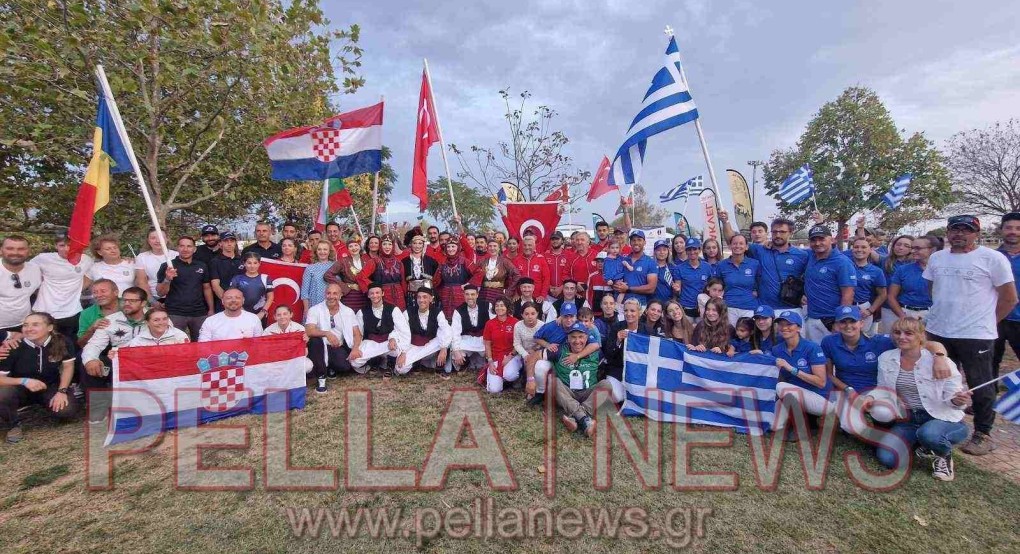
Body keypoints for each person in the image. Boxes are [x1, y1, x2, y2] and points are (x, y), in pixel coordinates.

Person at [923, 214, 1017, 455]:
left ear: (976, 233)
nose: (959, 234)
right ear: (948, 231)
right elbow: (933, 289)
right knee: (939, 381)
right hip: (939, 331)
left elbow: (1009, 298)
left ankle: (983, 433)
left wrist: (988, 322)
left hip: (976, 334)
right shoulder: (937, 258)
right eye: (955, 229)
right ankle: (944, 423)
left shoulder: (992, 259)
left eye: (966, 230)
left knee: (981, 384)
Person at [868, 317, 971, 481]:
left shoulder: (940, 361)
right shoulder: (886, 358)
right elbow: (883, 388)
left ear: (920, 336)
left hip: (941, 417)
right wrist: (872, 399)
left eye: (908, 333)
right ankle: (922, 444)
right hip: (909, 419)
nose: (902, 337)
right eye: (897, 332)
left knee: (929, 434)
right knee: (887, 458)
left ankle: (943, 454)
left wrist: (958, 400)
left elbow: (955, 398)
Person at [0, 312, 77, 443]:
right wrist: (24, 381)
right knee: (3, 393)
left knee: (67, 412)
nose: (29, 328)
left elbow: (68, 367)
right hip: (20, 389)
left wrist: (62, 391)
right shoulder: (13, 346)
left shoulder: (62, 341)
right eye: (25, 325)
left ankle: (49, 405)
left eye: (35, 324)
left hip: (50, 387)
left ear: (50, 328)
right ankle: (13, 425)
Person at [81, 287, 149, 422]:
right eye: (124, 300)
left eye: (132, 301)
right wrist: (90, 360)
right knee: (93, 364)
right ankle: (99, 408)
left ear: (143, 303)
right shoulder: (110, 321)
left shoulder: (156, 317)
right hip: (120, 361)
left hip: (148, 361)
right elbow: (94, 345)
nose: (127, 304)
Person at [721, 213, 809, 314]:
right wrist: (725, 222)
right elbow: (733, 239)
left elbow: (812, 277)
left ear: (791, 233)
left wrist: (805, 294)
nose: (778, 235)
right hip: (765, 310)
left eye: (782, 232)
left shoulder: (802, 255)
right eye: (775, 232)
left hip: (792, 309)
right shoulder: (760, 250)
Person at [770, 309, 832, 441]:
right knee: (773, 425)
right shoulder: (777, 349)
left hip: (819, 398)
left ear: (798, 327)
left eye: (789, 324)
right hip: (794, 395)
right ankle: (801, 423)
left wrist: (791, 368)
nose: (784, 328)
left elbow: (821, 382)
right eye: (781, 324)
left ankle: (802, 426)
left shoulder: (812, 347)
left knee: (782, 387)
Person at [529, 301, 601, 406]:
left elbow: (595, 345)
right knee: (540, 367)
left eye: (571, 316)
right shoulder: (553, 325)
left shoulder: (581, 327)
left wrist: (577, 356)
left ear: (576, 316)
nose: (569, 320)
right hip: (555, 355)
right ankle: (541, 393)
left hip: (573, 358)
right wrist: (547, 344)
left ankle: (571, 395)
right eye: (565, 316)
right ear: (560, 316)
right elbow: (536, 337)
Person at [553, 322, 613, 438]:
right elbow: (536, 356)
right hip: (568, 392)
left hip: (587, 392)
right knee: (552, 383)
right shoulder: (559, 350)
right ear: (568, 339)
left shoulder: (596, 352)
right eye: (573, 337)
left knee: (606, 384)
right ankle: (585, 419)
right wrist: (530, 379)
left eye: (581, 337)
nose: (577, 341)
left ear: (587, 338)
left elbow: (609, 358)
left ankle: (577, 416)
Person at [30, 234, 90, 343]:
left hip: (72, 311)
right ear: (56, 246)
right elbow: (25, 271)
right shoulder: (43, 258)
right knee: (43, 343)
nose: (66, 249)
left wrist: (76, 290)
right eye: (62, 245)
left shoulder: (85, 260)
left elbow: (91, 276)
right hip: (44, 311)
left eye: (70, 245)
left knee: (69, 345)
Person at [803, 225, 856, 342]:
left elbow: (848, 295)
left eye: (822, 239)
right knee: (816, 356)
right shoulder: (810, 256)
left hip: (832, 320)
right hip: (812, 317)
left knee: (833, 357)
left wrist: (840, 321)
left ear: (832, 240)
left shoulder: (842, 262)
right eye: (813, 240)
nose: (817, 243)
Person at [304, 283, 360, 392]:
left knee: (345, 366)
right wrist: (327, 334)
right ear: (325, 294)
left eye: (335, 293)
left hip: (336, 346)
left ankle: (330, 367)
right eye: (328, 293)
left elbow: (357, 333)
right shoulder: (315, 309)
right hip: (320, 346)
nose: (331, 296)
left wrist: (355, 348)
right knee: (315, 341)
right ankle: (321, 377)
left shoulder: (348, 311)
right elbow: (309, 330)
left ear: (340, 296)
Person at [157, 236, 214, 340]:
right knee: (175, 344)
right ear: (177, 248)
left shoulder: (202, 266)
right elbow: (160, 293)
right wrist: (167, 279)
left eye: (189, 246)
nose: (185, 249)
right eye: (182, 246)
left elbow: (207, 288)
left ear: (194, 249)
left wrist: (211, 309)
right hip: (175, 313)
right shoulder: (168, 266)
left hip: (199, 313)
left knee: (201, 343)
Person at [349, 283, 410, 375]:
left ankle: (388, 363)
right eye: (372, 293)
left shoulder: (393, 309)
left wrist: (393, 339)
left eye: (377, 293)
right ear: (368, 295)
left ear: (383, 293)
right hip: (371, 343)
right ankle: (375, 360)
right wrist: (356, 348)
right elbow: (358, 333)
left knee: (400, 361)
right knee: (355, 361)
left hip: (388, 343)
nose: (375, 295)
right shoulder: (362, 312)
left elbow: (403, 330)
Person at [395, 287, 451, 377]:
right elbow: (401, 332)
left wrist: (444, 348)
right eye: (419, 297)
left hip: (431, 346)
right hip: (413, 346)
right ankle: (417, 362)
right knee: (400, 369)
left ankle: (439, 368)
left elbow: (445, 329)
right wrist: (403, 352)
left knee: (446, 337)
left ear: (431, 299)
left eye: (425, 297)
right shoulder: (408, 312)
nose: (421, 300)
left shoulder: (437, 312)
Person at [886, 236, 934, 331]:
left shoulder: (939, 270)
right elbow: (891, 296)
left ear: (931, 250)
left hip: (931, 315)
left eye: (918, 248)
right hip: (906, 312)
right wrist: (902, 316)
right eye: (912, 248)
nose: (912, 251)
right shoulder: (903, 270)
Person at [995, 212, 1020, 378]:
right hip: (993, 318)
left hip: (1019, 319)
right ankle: (987, 402)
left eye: (1018, 228)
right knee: (989, 363)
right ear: (1001, 230)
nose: (1013, 231)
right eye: (1009, 227)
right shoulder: (991, 257)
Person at [716, 234, 760, 325]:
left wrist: (756, 290)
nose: (738, 246)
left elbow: (760, 282)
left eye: (741, 243)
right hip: (729, 307)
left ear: (747, 247)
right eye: (735, 243)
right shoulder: (721, 265)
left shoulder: (755, 264)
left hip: (750, 308)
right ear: (729, 246)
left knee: (749, 337)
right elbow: (718, 286)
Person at [324, 238, 375, 313]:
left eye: (356, 245)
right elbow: (327, 275)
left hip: (365, 295)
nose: (354, 248)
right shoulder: (342, 261)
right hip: (350, 296)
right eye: (351, 246)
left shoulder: (367, 260)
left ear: (360, 247)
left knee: (364, 318)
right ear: (347, 249)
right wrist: (345, 286)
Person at [482, 297, 520, 392]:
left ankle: (513, 378)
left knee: (510, 375)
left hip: (512, 355)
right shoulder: (489, 323)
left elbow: (518, 343)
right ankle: (497, 379)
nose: (499, 308)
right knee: (494, 390)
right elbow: (487, 344)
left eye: (502, 305)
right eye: (497, 306)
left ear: (507, 307)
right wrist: (490, 362)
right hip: (495, 357)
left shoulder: (515, 322)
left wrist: (510, 356)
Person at [848, 236, 887, 332]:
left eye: (863, 247)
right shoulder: (844, 267)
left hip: (863, 308)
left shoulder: (876, 271)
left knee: (863, 337)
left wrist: (870, 310)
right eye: (856, 247)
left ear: (870, 250)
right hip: (845, 306)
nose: (859, 250)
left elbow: (882, 294)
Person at [672, 237, 716, 320]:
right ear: (686, 251)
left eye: (694, 249)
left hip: (703, 307)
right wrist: (676, 290)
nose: (692, 252)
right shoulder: (679, 268)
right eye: (689, 249)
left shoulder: (707, 267)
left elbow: (711, 287)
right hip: (686, 308)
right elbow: (677, 291)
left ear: (699, 250)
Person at [450, 286, 492, 373]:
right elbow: (455, 332)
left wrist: (489, 341)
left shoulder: (488, 306)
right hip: (467, 339)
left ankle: (486, 364)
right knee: (455, 352)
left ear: (477, 295)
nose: (470, 297)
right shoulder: (458, 310)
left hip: (483, 339)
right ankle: (465, 364)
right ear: (463, 295)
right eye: (467, 294)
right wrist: (456, 351)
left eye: (472, 294)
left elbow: (494, 326)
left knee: (493, 351)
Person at [198, 288, 264, 342]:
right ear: (222, 301)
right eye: (229, 298)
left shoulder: (253, 318)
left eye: (237, 297)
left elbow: (259, 343)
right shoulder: (210, 321)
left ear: (243, 300)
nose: (233, 300)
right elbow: (203, 345)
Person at [433, 241, 476, 320]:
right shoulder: (443, 262)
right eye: (448, 247)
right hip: (445, 294)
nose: (450, 249)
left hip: (460, 293)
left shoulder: (465, 261)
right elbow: (436, 280)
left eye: (453, 246)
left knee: (460, 315)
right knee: (446, 317)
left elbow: (478, 272)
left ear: (458, 248)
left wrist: (469, 284)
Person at [133, 228, 178, 301]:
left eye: (161, 237)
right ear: (148, 240)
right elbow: (142, 283)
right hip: (153, 297)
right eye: (153, 238)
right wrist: (153, 302)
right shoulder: (142, 257)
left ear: (167, 239)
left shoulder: (176, 255)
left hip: (176, 296)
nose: (158, 241)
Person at [617, 230, 658, 306]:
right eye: (633, 240)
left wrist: (628, 289)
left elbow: (651, 288)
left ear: (644, 242)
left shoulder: (650, 262)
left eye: (639, 240)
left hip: (641, 306)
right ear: (630, 243)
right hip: (622, 305)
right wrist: (616, 284)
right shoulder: (623, 260)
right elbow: (615, 279)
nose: (636, 242)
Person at [229, 252, 275, 319]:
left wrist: (262, 312)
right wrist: (243, 312)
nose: (252, 266)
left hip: (260, 315)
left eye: (255, 263)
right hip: (240, 314)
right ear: (244, 264)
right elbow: (232, 297)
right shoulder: (237, 279)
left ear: (259, 264)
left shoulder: (265, 278)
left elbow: (270, 297)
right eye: (249, 263)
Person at [77, 279, 120, 348]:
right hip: (100, 351)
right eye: (95, 292)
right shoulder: (86, 313)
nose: (98, 295)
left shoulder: (128, 306)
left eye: (103, 291)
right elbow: (81, 344)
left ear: (116, 292)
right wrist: (92, 329)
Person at [476, 238, 520, 306]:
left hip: (498, 295)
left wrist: (509, 291)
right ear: (487, 248)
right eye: (490, 246)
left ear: (499, 248)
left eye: (495, 246)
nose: (492, 248)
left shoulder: (505, 262)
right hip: (482, 295)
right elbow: (474, 276)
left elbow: (517, 275)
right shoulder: (481, 261)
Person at [208, 231, 244, 312]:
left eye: (232, 241)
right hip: (223, 305)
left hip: (242, 304)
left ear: (235, 243)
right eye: (226, 241)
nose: (229, 243)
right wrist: (228, 301)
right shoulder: (215, 262)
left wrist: (239, 302)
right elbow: (215, 286)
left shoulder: (242, 260)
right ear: (220, 243)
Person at [515, 301, 545, 400]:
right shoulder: (518, 325)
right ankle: (522, 378)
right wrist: (525, 354)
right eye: (526, 314)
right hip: (522, 352)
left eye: (533, 313)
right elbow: (517, 343)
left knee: (537, 366)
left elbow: (544, 342)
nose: (530, 317)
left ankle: (535, 389)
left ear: (537, 314)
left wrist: (535, 350)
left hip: (537, 352)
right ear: (522, 315)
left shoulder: (542, 325)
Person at [402, 234, 439, 311]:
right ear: (411, 245)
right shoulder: (404, 261)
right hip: (412, 295)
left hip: (428, 294)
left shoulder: (431, 260)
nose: (417, 246)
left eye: (420, 243)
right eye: (415, 243)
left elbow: (437, 277)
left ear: (423, 245)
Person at [370, 237, 407, 310]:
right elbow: (361, 277)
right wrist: (373, 289)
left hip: (399, 295)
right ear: (380, 246)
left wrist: (405, 295)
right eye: (384, 244)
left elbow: (403, 281)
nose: (387, 247)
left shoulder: (399, 262)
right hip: (383, 295)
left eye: (390, 244)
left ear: (393, 246)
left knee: (401, 317)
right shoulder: (375, 261)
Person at [301, 240, 337, 313]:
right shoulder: (310, 268)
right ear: (316, 251)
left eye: (325, 249)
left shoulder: (336, 266)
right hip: (315, 304)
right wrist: (306, 309)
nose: (322, 252)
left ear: (329, 251)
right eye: (319, 249)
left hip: (332, 304)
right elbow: (305, 291)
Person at [126, 306, 190, 346]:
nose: (161, 323)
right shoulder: (139, 340)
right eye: (156, 320)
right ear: (147, 322)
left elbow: (186, 356)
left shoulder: (179, 335)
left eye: (164, 319)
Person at [512, 236, 550, 302]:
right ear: (522, 246)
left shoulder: (541, 259)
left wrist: (542, 295)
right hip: (521, 297)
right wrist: (515, 293)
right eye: (525, 245)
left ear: (534, 246)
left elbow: (546, 278)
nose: (527, 247)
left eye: (530, 245)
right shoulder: (516, 260)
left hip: (537, 297)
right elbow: (512, 278)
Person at [543, 231, 576, 299]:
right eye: (553, 239)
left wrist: (562, 287)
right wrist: (548, 286)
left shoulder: (570, 255)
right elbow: (543, 274)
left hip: (566, 292)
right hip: (548, 292)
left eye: (557, 239)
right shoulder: (544, 255)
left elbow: (572, 274)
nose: (555, 241)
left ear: (562, 240)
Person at [602, 240, 630, 310]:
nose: (615, 250)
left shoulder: (620, 257)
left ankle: (618, 305)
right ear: (609, 248)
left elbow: (624, 262)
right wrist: (608, 279)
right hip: (613, 279)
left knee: (622, 291)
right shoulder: (607, 260)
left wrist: (628, 266)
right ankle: (617, 305)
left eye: (617, 248)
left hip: (621, 277)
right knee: (618, 291)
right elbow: (606, 270)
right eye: (612, 248)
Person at [651, 239, 676, 303]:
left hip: (668, 304)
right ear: (654, 252)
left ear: (668, 251)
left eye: (664, 250)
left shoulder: (673, 267)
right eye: (659, 250)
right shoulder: (650, 266)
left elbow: (676, 289)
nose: (662, 252)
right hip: (652, 304)